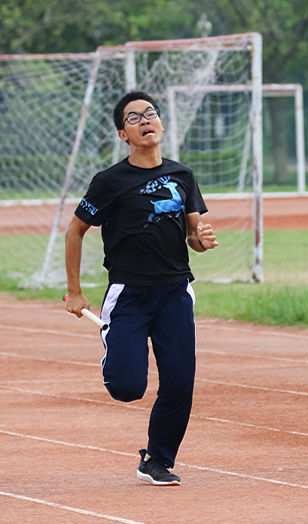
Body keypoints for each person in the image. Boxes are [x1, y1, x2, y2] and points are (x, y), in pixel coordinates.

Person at [64, 91, 218, 485]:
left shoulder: (182, 175)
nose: (145, 120)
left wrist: (203, 239)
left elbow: (193, 236)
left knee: (180, 380)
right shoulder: (110, 181)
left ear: (161, 125)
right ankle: (111, 338)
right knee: (127, 387)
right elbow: (75, 231)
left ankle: (157, 459)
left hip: (175, 292)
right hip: (129, 293)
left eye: (150, 114)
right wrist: (76, 291)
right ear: (123, 134)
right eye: (135, 118)